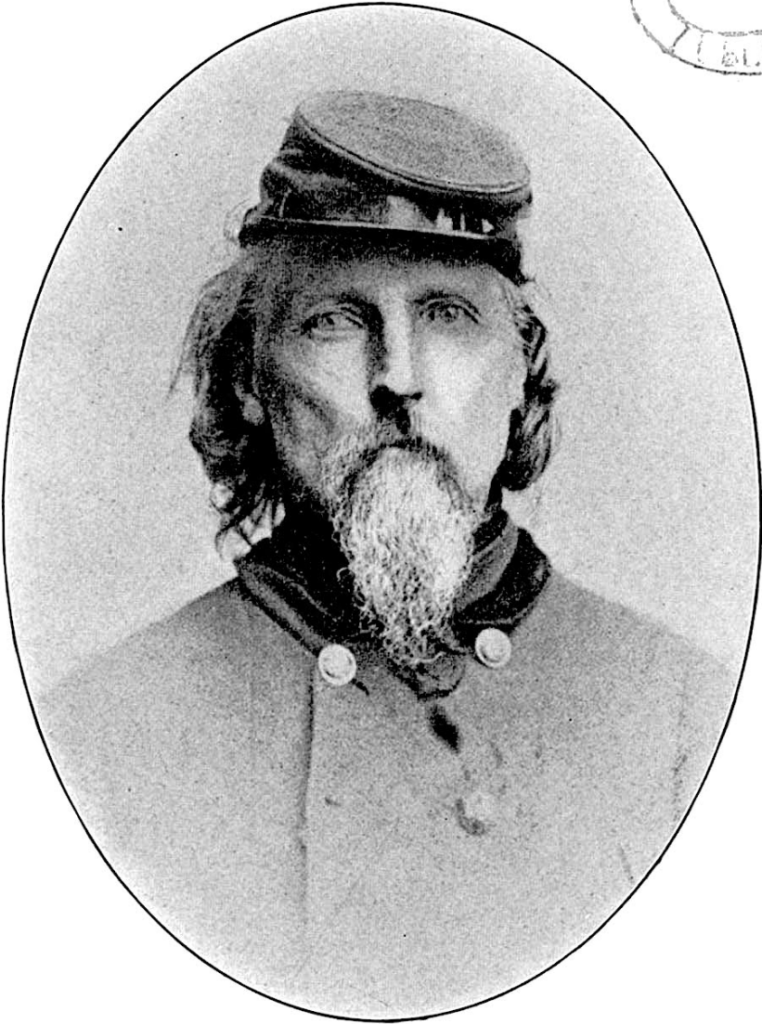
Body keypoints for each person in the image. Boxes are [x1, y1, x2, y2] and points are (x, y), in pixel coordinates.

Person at [38, 91, 730, 1018]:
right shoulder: (95, 734)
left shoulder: (690, 723)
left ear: (519, 369)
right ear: (248, 378)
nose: (398, 376)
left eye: (448, 314)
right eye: (335, 320)